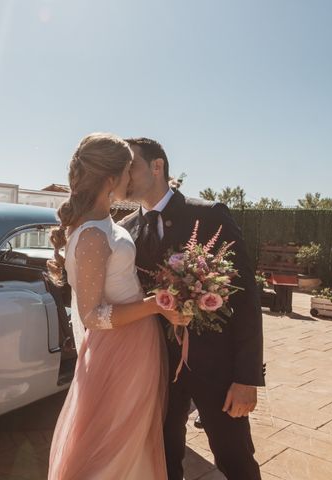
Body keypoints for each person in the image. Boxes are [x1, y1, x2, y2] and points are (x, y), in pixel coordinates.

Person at [118, 137, 264, 480]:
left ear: (158, 167)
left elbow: (245, 296)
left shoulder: (208, 215)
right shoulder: (124, 231)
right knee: (163, 460)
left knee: (236, 460)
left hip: (217, 369)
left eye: (130, 167)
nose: (123, 176)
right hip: (154, 369)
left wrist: (247, 378)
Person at [47, 132, 189, 479]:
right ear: (111, 178)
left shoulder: (108, 223)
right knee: (112, 449)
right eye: (128, 170)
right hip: (118, 350)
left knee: (134, 445)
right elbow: (92, 316)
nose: (132, 177)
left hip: (136, 343)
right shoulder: (94, 234)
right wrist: (155, 305)